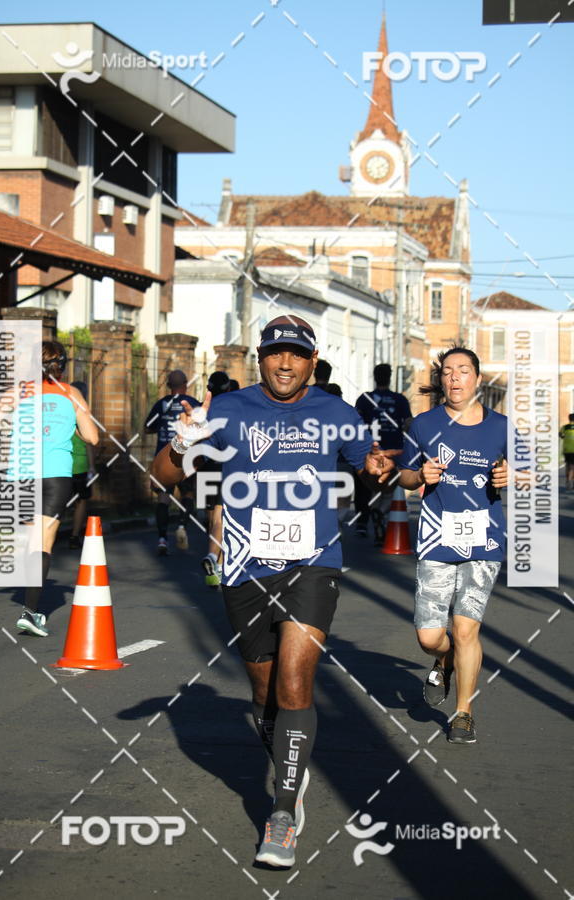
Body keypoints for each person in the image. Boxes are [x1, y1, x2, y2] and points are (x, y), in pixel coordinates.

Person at [153, 315, 393, 866]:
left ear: (312, 362)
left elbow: (374, 468)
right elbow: (162, 477)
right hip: (245, 567)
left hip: (312, 561)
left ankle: (282, 812)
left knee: (293, 679)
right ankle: (293, 765)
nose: (285, 363)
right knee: (264, 695)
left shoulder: (336, 412)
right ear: (259, 358)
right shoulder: (229, 409)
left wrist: (383, 469)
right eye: (275, 353)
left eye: (297, 355)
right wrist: (183, 442)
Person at [396, 346, 508, 744]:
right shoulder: (424, 425)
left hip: (484, 538)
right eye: (447, 372)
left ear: (477, 378)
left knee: (465, 629)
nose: (454, 378)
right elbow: (405, 478)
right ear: (441, 379)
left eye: (463, 370)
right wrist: (419, 475)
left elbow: (527, 476)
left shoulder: (501, 427)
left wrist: (510, 476)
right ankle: (443, 660)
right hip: (436, 539)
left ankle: (464, 712)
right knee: (430, 637)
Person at [0, 341, 99, 636]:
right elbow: (93, 437)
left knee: (31, 539)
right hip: (54, 476)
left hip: (21, 474)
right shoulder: (70, 393)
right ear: (61, 366)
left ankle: (29, 601)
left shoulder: (22, 391)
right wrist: (73, 425)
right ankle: (31, 612)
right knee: (43, 544)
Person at [354, 363, 412, 541]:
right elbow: (409, 423)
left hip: (371, 451)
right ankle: (381, 514)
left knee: (370, 486)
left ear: (374, 376)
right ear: (390, 377)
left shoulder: (365, 399)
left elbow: (355, 424)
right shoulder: (400, 400)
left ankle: (367, 518)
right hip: (393, 451)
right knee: (389, 488)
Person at [145, 370, 200, 554]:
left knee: (163, 498)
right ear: (185, 384)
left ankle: (162, 539)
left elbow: (147, 427)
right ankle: (182, 526)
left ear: (169, 386)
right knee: (188, 494)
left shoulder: (161, 404)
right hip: (186, 459)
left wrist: (162, 427)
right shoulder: (191, 404)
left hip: (164, 458)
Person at [200, 371, 231, 587]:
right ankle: (217, 560)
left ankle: (213, 558)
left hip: (204, 464)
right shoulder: (233, 407)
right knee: (220, 517)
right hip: (226, 466)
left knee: (210, 516)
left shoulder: (206, 408)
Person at [68, 381, 96, 549]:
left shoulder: (60, 411)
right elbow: (89, 442)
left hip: (59, 464)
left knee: (57, 501)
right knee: (81, 501)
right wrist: (92, 466)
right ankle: (74, 536)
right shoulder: (83, 414)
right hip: (79, 464)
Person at [559, 413, 574, 490]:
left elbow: (560, 435)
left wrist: (565, 437)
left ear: (569, 419)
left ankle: (568, 480)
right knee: (572, 466)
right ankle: (570, 481)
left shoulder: (565, 427)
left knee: (568, 465)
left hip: (566, 449)